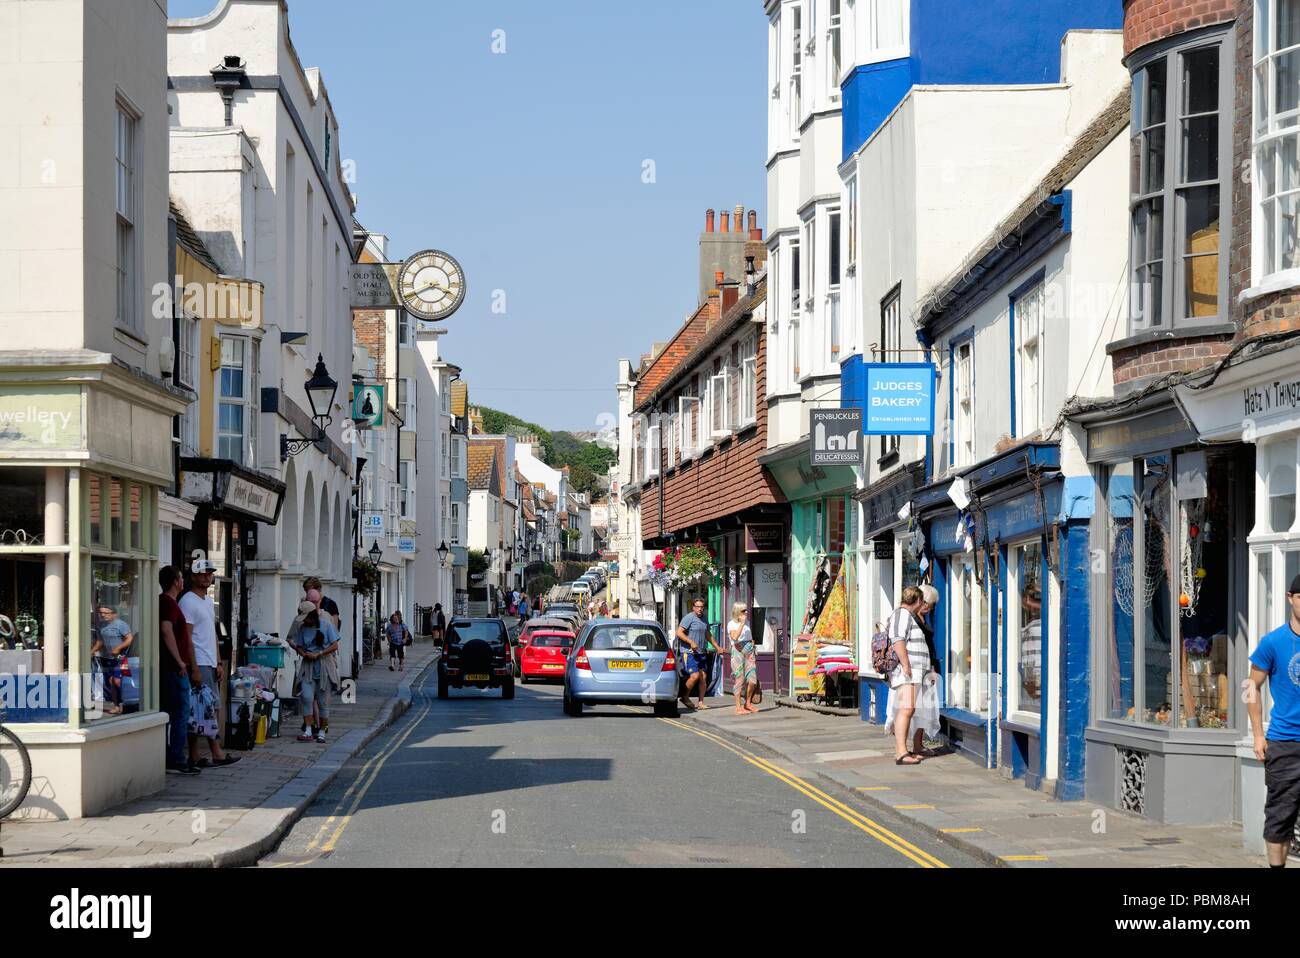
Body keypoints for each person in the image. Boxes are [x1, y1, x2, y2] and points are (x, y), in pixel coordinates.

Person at [1246, 573, 1300, 868]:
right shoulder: (1273, 642)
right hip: (1283, 742)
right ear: (1290, 599)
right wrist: (1257, 734)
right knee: (1280, 816)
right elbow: (1250, 687)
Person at [180, 560, 241, 768]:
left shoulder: (206, 601)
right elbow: (186, 638)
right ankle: (216, 753)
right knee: (205, 709)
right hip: (198, 662)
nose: (207, 577)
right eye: (203, 573)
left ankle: (196, 756)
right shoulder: (187, 602)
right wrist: (194, 667)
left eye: (210, 573)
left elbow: (212, 633)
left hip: (209, 661)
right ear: (193, 577)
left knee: (201, 709)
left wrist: (218, 661)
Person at [159, 566, 201, 774]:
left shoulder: (170, 603)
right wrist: (180, 661)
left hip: (172, 668)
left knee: (169, 712)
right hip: (174, 669)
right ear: (176, 582)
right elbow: (166, 630)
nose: (183, 581)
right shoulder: (168, 603)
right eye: (181, 578)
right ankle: (176, 758)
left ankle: (169, 755)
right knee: (180, 713)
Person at [886, 586, 931, 766]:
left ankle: (904, 750)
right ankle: (901, 753)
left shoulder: (906, 615)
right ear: (918, 601)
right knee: (906, 709)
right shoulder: (902, 614)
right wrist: (906, 665)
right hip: (907, 672)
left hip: (913, 672)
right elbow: (898, 639)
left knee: (908, 709)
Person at [290, 601, 341, 743]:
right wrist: (303, 653)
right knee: (306, 697)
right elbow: (298, 645)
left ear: (312, 615)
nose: (305, 621)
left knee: (322, 702)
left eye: (306, 618)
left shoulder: (326, 625)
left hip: (324, 666)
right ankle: (307, 729)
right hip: (308, 667)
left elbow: (335, 645)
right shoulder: (302, 628)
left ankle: (322, 731)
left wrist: (319, 654)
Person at [91, 604, 133, 715]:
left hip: (121, 658)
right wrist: (90, 652)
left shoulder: (121, 625)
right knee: (110, 681)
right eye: (101, 613)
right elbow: (100, 642)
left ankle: (124, 703)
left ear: (114, 614)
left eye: (106, 613)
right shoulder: (101, 626)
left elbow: (129, 638)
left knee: (117, 681)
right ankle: (116, 705)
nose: (103, 615)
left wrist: (118, 648)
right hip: (107, 658)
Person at [675, 598, 711, 711]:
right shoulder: (689, 618)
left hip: (701, 652)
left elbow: (708, 634)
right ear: (693, 607)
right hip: (688, 652)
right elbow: (679, 632)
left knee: (703, 677)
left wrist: (717, 647)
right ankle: (685, 696)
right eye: (698, 607)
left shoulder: (705, 619)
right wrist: (691, 642)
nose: (700, 609)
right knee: (695, 676)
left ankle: (701, 702)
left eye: (702, 607)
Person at [728, 603, 760, 716]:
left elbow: (751, 639)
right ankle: (738, 706)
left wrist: (753, 647)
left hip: (749, 652)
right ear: (737, 612)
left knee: (752, 680)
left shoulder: (747, 625)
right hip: (737, 652)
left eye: (746, 610)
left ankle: (748, 703)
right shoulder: (731, 624)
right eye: (743, 610)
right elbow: (735, 637)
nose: (746, 612)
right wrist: (741, 623)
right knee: (739, 680)